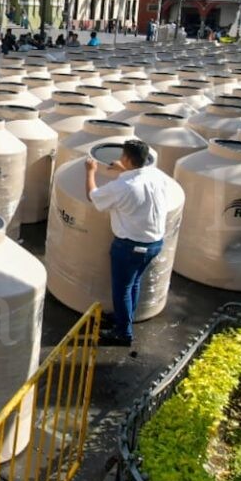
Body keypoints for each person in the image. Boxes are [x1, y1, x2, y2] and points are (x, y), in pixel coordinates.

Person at [86, 140, 169, 348]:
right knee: (134, 283)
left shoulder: (121, 187)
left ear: (126, 158)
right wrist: (124, 169)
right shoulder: (157, 175)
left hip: (130, 246)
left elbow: (93, 197)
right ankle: (124, 318)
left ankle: (123, 333)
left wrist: (91, 171)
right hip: (155, 244)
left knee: (122, 289)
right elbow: (138, 176)